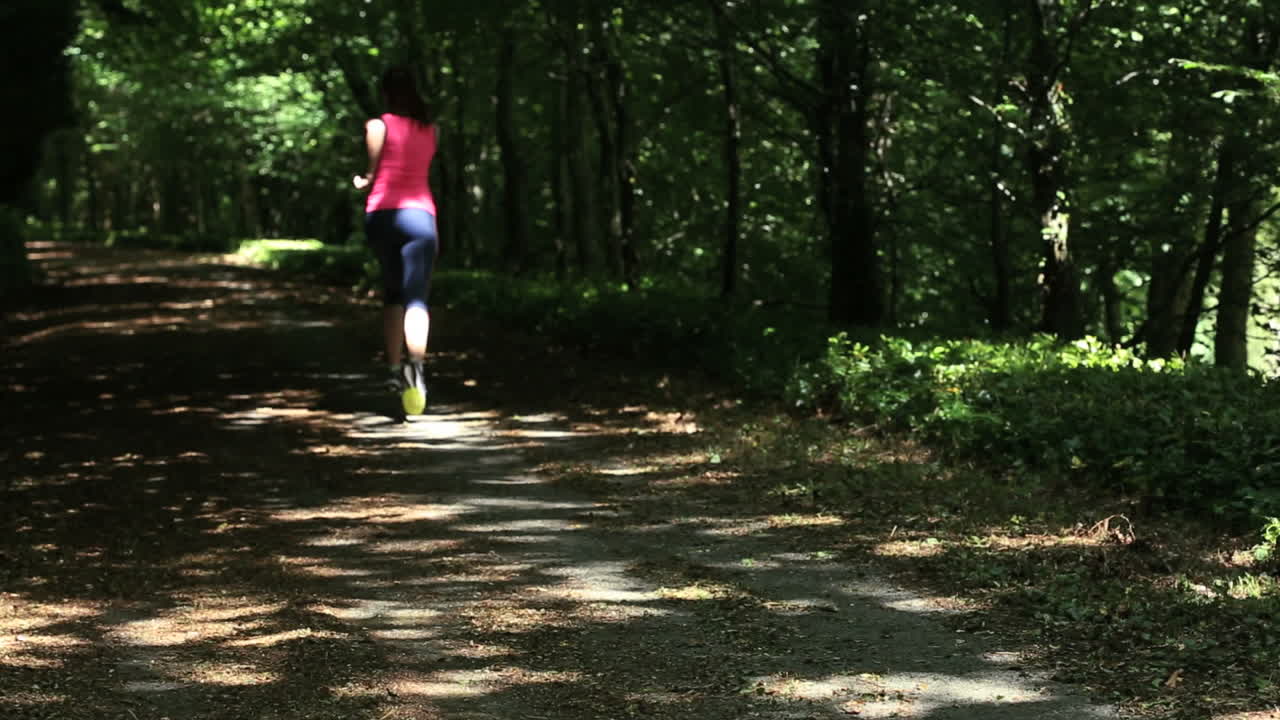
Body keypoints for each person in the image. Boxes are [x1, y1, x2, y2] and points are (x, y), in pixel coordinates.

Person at [353, 65, 439, 416]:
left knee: (392, 294)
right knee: (416, 296)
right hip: (421, 215)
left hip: (384, 214)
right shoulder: (431, 130)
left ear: (385, 92)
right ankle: (415, 368)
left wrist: (362, 180)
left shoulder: (377, 126)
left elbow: (373, 174)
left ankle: (392, 370)